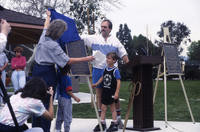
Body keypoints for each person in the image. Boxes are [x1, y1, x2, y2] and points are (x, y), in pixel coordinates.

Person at [31, 10, 94, 132]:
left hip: (36, 72)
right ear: (58, 32)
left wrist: (48, 16)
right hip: (47, 74)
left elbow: (45, 25)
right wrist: (87, 58)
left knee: (35, 104)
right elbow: (68, 60)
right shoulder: (54, 46)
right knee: (46, 104)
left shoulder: (43, 36)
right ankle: (44, 130)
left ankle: (35, 129)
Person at [82, 19, 129, 128]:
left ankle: (118, 120)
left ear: (110, 29)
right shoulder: (94, 38)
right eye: (102, 26)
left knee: (115, 97)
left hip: (112, 71)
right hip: (98, 69)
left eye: (105, 27)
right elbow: (79, 38)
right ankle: (101, 122)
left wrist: (131, 67)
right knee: (99, 96)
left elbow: (124, 55)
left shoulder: (116, 41)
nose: (102, 28)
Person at [92, 52, 121, 132]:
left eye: (109, 58)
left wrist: (117, 93)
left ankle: (115, 123)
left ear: (114, 60)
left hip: (112, 92)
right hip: (105, 91)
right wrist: (96, 84)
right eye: (107, 58)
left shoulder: (115, 70)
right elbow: (102, 77)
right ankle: (102, 123)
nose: (107, 60)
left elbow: (118, 82)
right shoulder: (105, 69)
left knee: (112, 108)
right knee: (103, 108)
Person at [55, 67, 80, 132]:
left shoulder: (59, 74)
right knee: (67, 117)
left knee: (59, 116)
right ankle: (66, 130)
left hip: (60, 97)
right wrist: (75, 97)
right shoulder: (67, 78)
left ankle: (58, 129)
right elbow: (69, 91)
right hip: (66, 99)